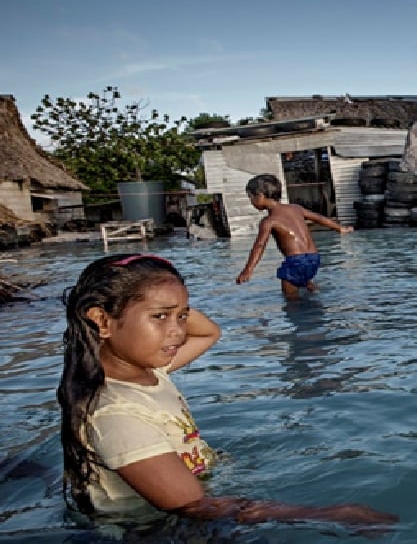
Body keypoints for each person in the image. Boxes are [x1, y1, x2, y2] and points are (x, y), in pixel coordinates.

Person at [59, 253, 397, 528]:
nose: (177, 332)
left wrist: (168, 301)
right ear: (102, 322)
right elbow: (193, 506)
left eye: (182, 316)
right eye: (160, 317)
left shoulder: (149, 372)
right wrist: (324, 515)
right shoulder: (117, 415)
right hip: (150, 531)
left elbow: (208, 333)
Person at [236, 174, 353, 298]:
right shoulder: (295, 208)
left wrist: (248, 270)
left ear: (260, 196)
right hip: (314, 258)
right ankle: (311, 288)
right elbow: (319, 218)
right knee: (304, 280)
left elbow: (259, 246)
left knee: (290, 299)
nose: (251, 202)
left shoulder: (269, 221)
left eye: (250, 197)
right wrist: (340, 228)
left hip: (295, 261)